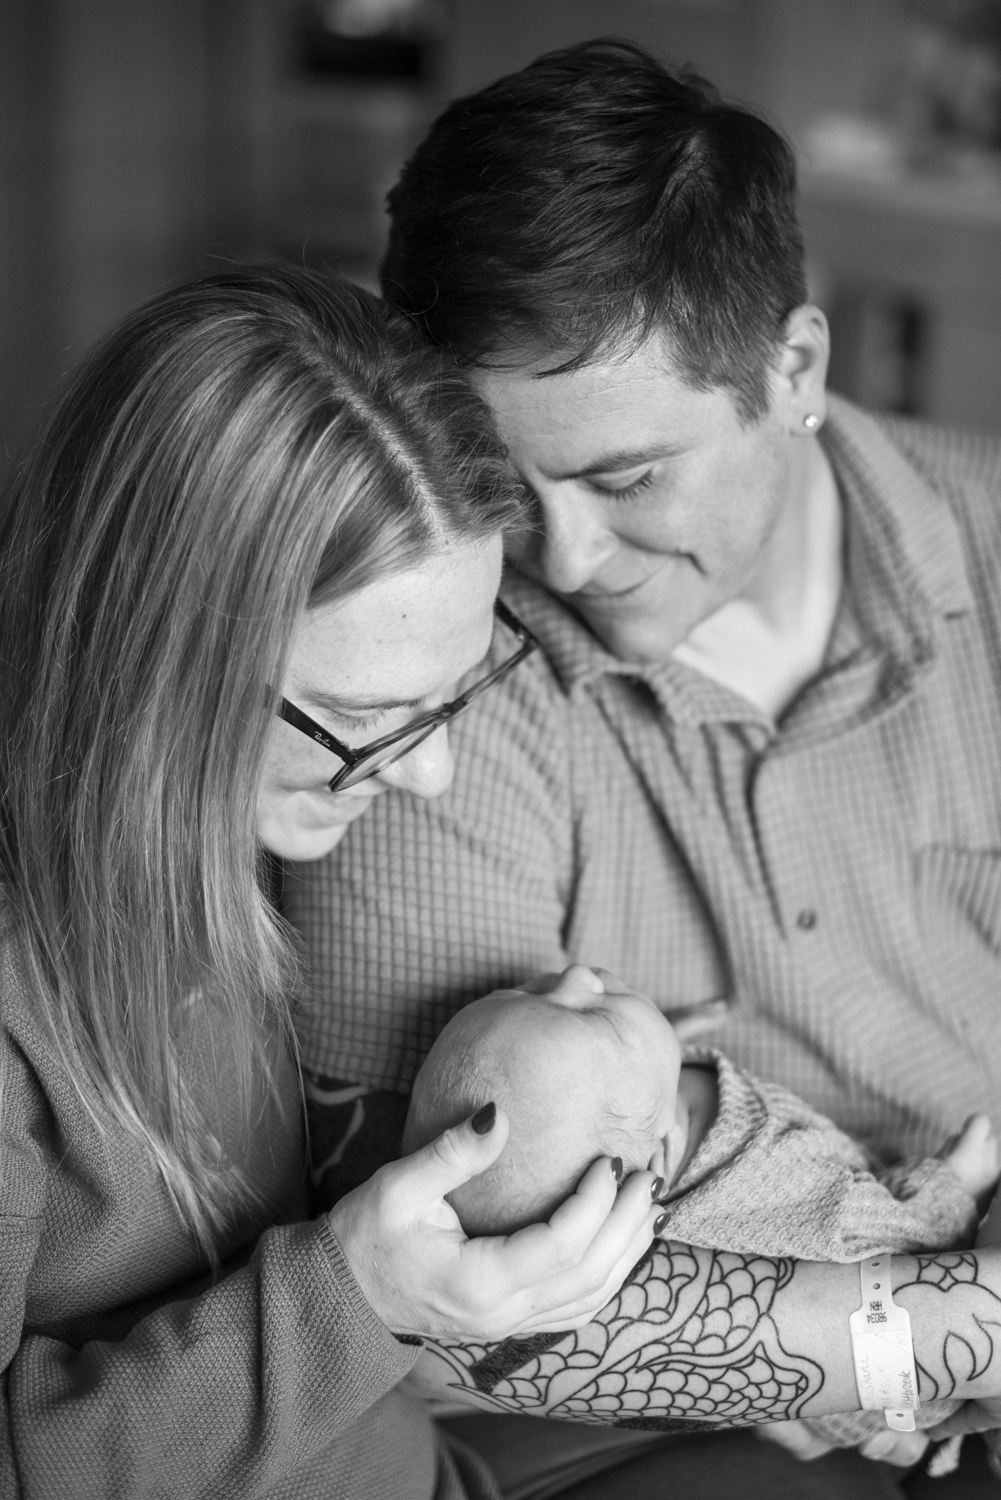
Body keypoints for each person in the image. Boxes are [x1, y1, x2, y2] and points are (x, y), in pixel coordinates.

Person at [283, 37, 1001, 1496]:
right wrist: (922, 1341)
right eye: (497, 477)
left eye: (625, 479)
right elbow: (425, 1292)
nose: (561, 557)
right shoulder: (439, 688)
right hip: (642, 1448)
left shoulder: (984, 548)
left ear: (792, 369)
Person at [0, 263, 669, 1498]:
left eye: (455, 690)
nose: (429, 776)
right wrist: (355, 1296)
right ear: (151, 657)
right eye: (370, 716)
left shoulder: (228, 826)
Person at [403, 962, 1001, 1460]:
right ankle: (869, 1436)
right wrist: (950, 1181)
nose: (578, 975)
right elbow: (899, 1243)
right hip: (899, 1368)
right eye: (595, 1017)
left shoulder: (639, 1122)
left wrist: (651, 1058)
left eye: (523, 994)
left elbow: (586, 1092)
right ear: (658, 1157)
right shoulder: (768, 1176)